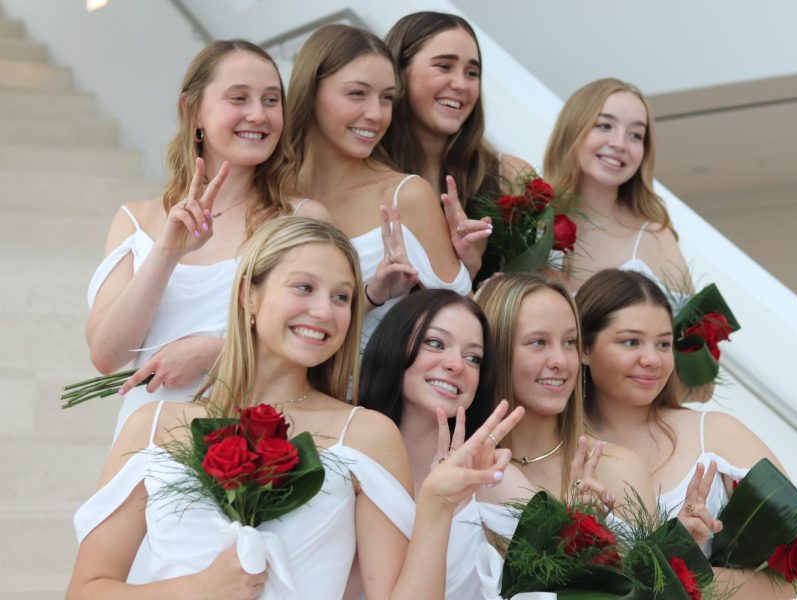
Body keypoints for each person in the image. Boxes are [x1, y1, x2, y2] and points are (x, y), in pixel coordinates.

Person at [68, 217, 524, 600]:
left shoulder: (366, 435)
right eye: (304, 287)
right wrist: (201, 587)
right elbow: (86, 589)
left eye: (342, 297)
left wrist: (438, 506)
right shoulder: (153, 427)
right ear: (249, 293)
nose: (324, 312)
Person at [86, 40, 328, 440]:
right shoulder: (135, 220)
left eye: (271, 100)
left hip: (261, 442)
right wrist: (167, 251)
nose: (258, 114)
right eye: (239, 98)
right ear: (192, 110)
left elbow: (322, 343)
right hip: (147, 439)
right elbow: (108, 355)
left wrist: (216, 354)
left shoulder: (301, 220)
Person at [575, 269, 797, 597]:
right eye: (631, 341)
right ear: (583, 348)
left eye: (663, 344)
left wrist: (691, 580)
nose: (652, 359)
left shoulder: (716, 434)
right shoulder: (561, 449)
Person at [284, 24, 470, 349]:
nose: (376, 114)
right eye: (357, 93)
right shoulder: (271, 188)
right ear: (311, 92)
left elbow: (463, 320)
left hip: (368, 394)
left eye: (386, 98)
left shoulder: (405, 196)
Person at [358, 289, 533, 599]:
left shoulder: (487, 476)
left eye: (473, 358)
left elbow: (580, 565)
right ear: (394, 343)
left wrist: (592, 516)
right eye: (435, 343)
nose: (456, 365)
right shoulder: (346, 454)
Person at [475, 273, 656, 514]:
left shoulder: (618, 469)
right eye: (538, 342)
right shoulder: (459, 468)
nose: (561, 360)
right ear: (495, 349)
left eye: (570, 342)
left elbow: (652, 554)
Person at [380, 11, 533, 278]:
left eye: (472, 73)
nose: (461, 84)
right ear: (398, 72)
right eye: (444, 66)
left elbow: (542, 281)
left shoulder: (508, 175)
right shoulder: (364, 174)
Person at [543, 78, 688, 295]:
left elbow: (690, 327)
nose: (619, 144)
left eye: (636, 135)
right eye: (605, 126)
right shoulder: (530, 224)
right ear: (572, 130)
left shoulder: (655, 238)